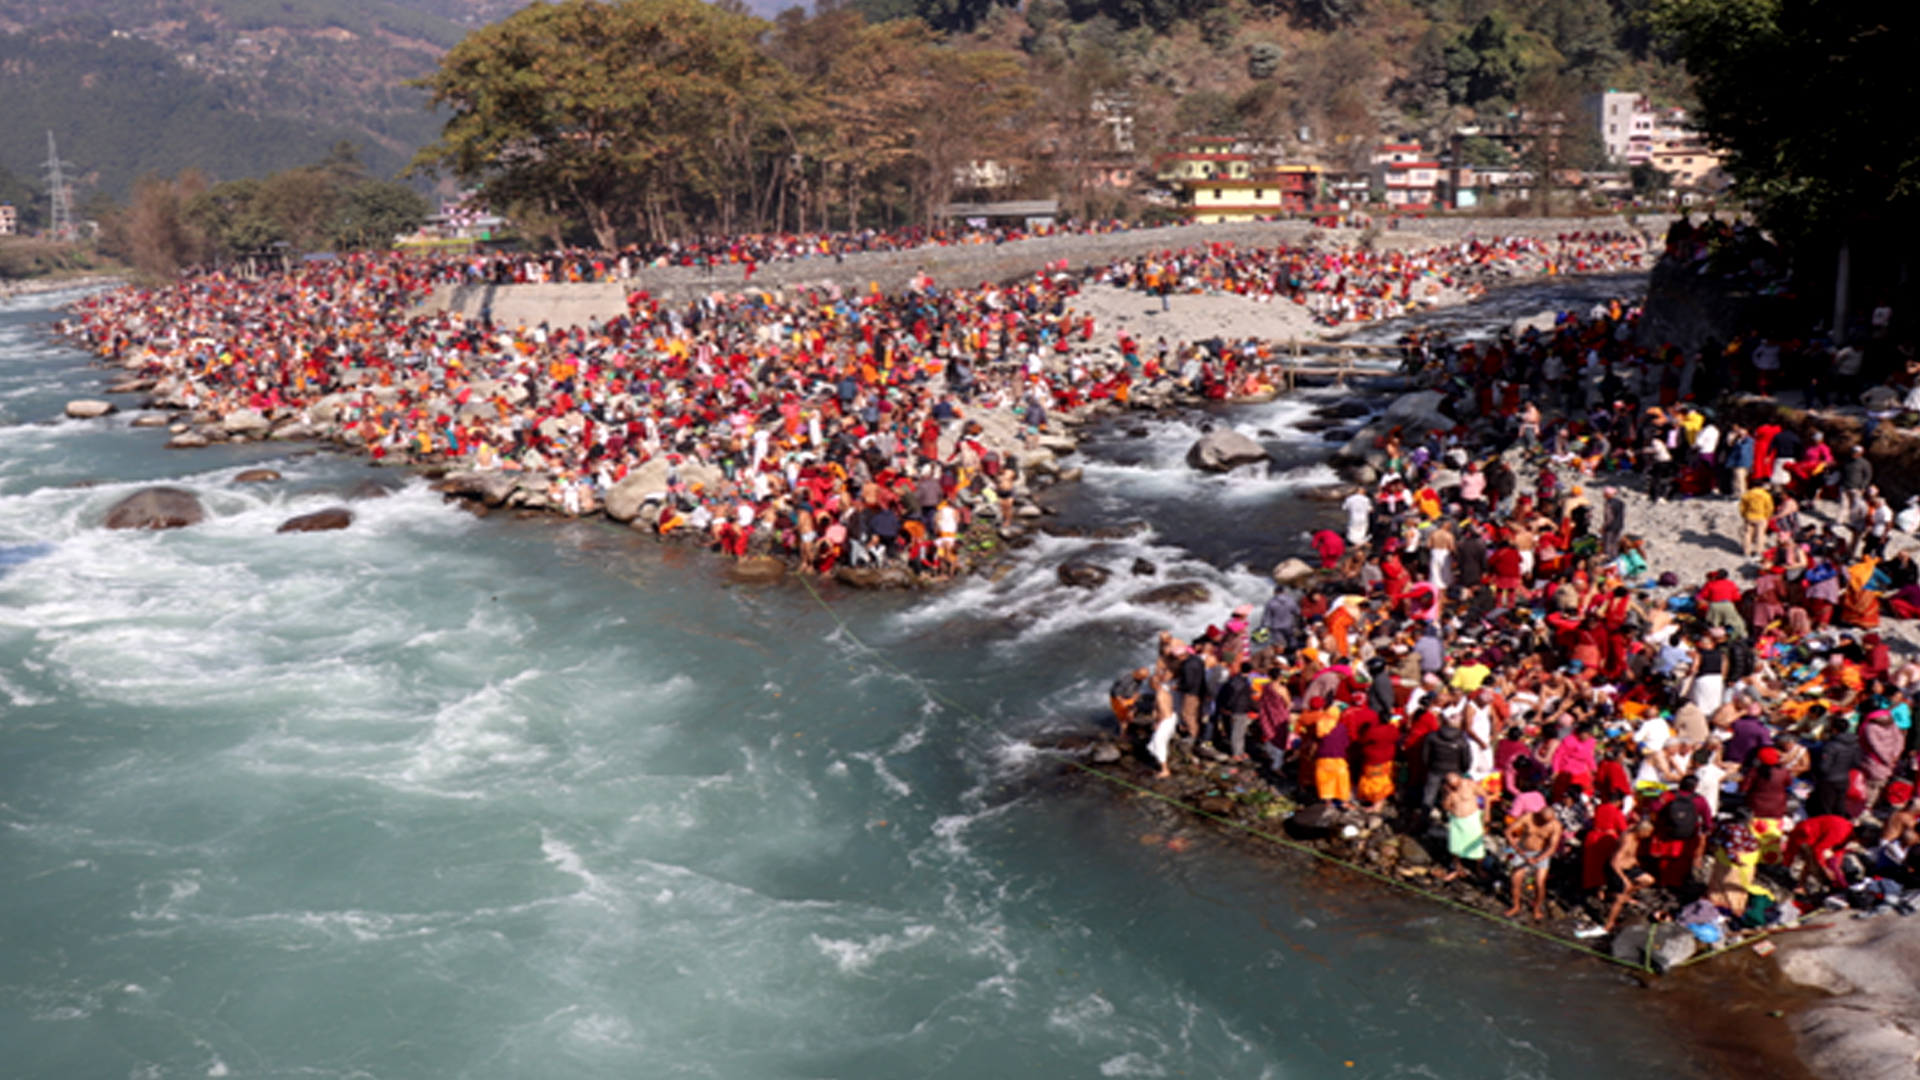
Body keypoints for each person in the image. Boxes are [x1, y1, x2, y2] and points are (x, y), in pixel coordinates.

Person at [1504, 790, 1564, 920]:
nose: (1544, 824)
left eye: (1547, 821)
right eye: (1542, 821)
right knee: (1516, 879)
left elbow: (1552, 847)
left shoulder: (1555, 826)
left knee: (1539, 882)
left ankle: (1537, 908)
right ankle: (1515, 905)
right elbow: (1508, 831)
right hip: (1523, 849)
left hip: (1541, 852)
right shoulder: (1529, 817)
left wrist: (1538, 858)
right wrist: (1517, 849)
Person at [1604, 820, 1658, 933]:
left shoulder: (1634, 833)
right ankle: (1609, 924)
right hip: (1619, 869)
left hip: (1630, 867)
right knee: (1620, 899)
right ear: (1642, 831)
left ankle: (1616, 893)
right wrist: (1624, 879)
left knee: (1649, 880)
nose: (1649, 835)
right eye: (1648, 833)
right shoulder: (1627, 841)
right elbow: (1614, 862)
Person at [1435, 772, 1486, 883]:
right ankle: (1458, 868)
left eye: (1456, 784)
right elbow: (1445, 806)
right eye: (1452, 785)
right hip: (1456, 820)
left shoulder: (1469, 785)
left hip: (1471, 817)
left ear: (1459, 780)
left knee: (1477, 846)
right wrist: (1448, 794)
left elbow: (1486, 796)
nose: (1455, 787)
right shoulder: (1448, 790)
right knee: (1455, 846)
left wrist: (1487, 815)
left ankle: (1479, 868)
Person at [1739, 482, 1775, 560]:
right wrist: (1767, 516)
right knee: (1760, 534)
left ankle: (1746, 552)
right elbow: (1769, 507)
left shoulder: (1747, 494)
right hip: (1761, 517)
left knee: (1747, 534)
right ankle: (1758, 551)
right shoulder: (1765, 495)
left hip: (1749, 516)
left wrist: (1744, 515)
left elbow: (1742, 507)